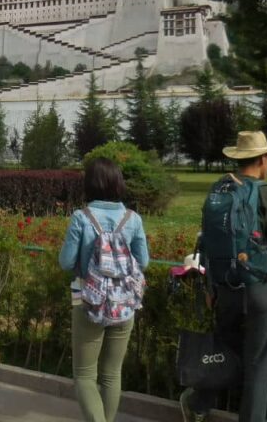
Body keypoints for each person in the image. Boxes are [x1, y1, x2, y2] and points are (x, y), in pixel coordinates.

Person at [181, 131, 267, 422]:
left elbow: (207, 240)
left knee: (223, 350)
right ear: (262, 159)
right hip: (259, 289)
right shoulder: (266, 193)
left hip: (225, 287)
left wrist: (210, 286)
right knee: (259, 364)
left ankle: (198, 403)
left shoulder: (219, 189)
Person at [59, 157, 150, 422]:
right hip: (124, 304)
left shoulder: (81, 218)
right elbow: (143, 262)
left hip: (88, 303)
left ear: (90, 184)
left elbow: (65, 262)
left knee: (85, 375)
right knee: (112, 374)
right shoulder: (133, 219)